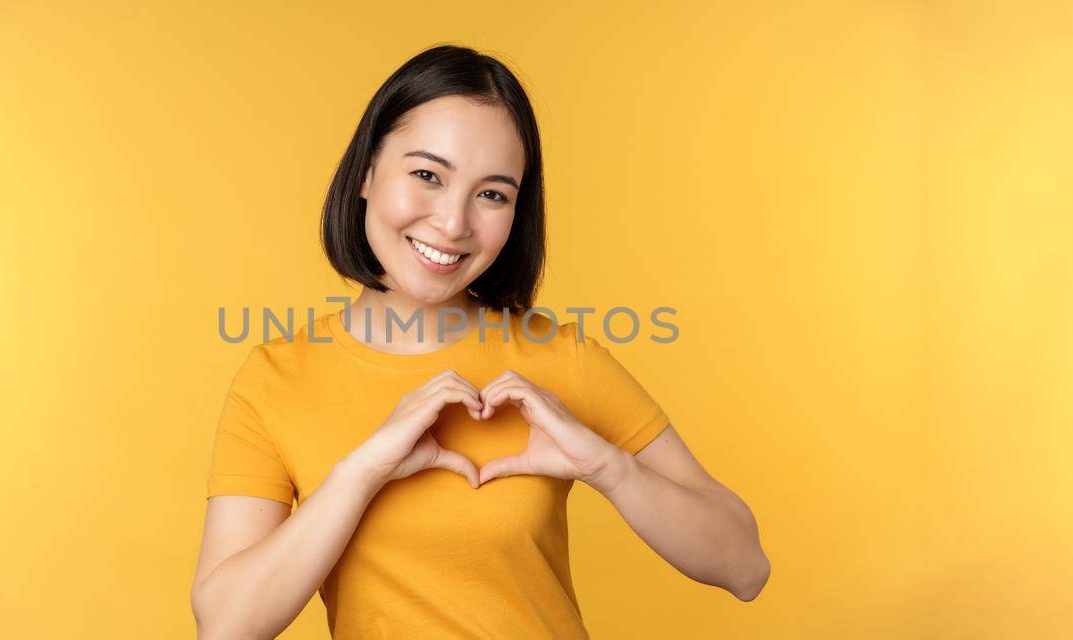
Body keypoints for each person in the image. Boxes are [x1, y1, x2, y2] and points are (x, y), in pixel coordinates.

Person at [191, 44, 769, 639]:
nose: (454, 223)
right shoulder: (276, 381)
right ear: (366, 172)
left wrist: (608, 467)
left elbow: (746, 567)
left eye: (492, 194)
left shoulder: (560, 361)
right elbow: (228, 626)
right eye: (427, 175)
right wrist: (361, 472)